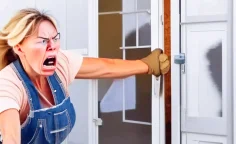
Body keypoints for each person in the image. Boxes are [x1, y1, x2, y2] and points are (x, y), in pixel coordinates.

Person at [0, 8, 170, 144]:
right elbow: (11, 139)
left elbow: (105, 67)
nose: (52, 46)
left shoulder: (60, 64)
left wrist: (147, 65)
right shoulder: (8, 85)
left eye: (55, 38)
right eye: (42, 41)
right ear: (19, 48)